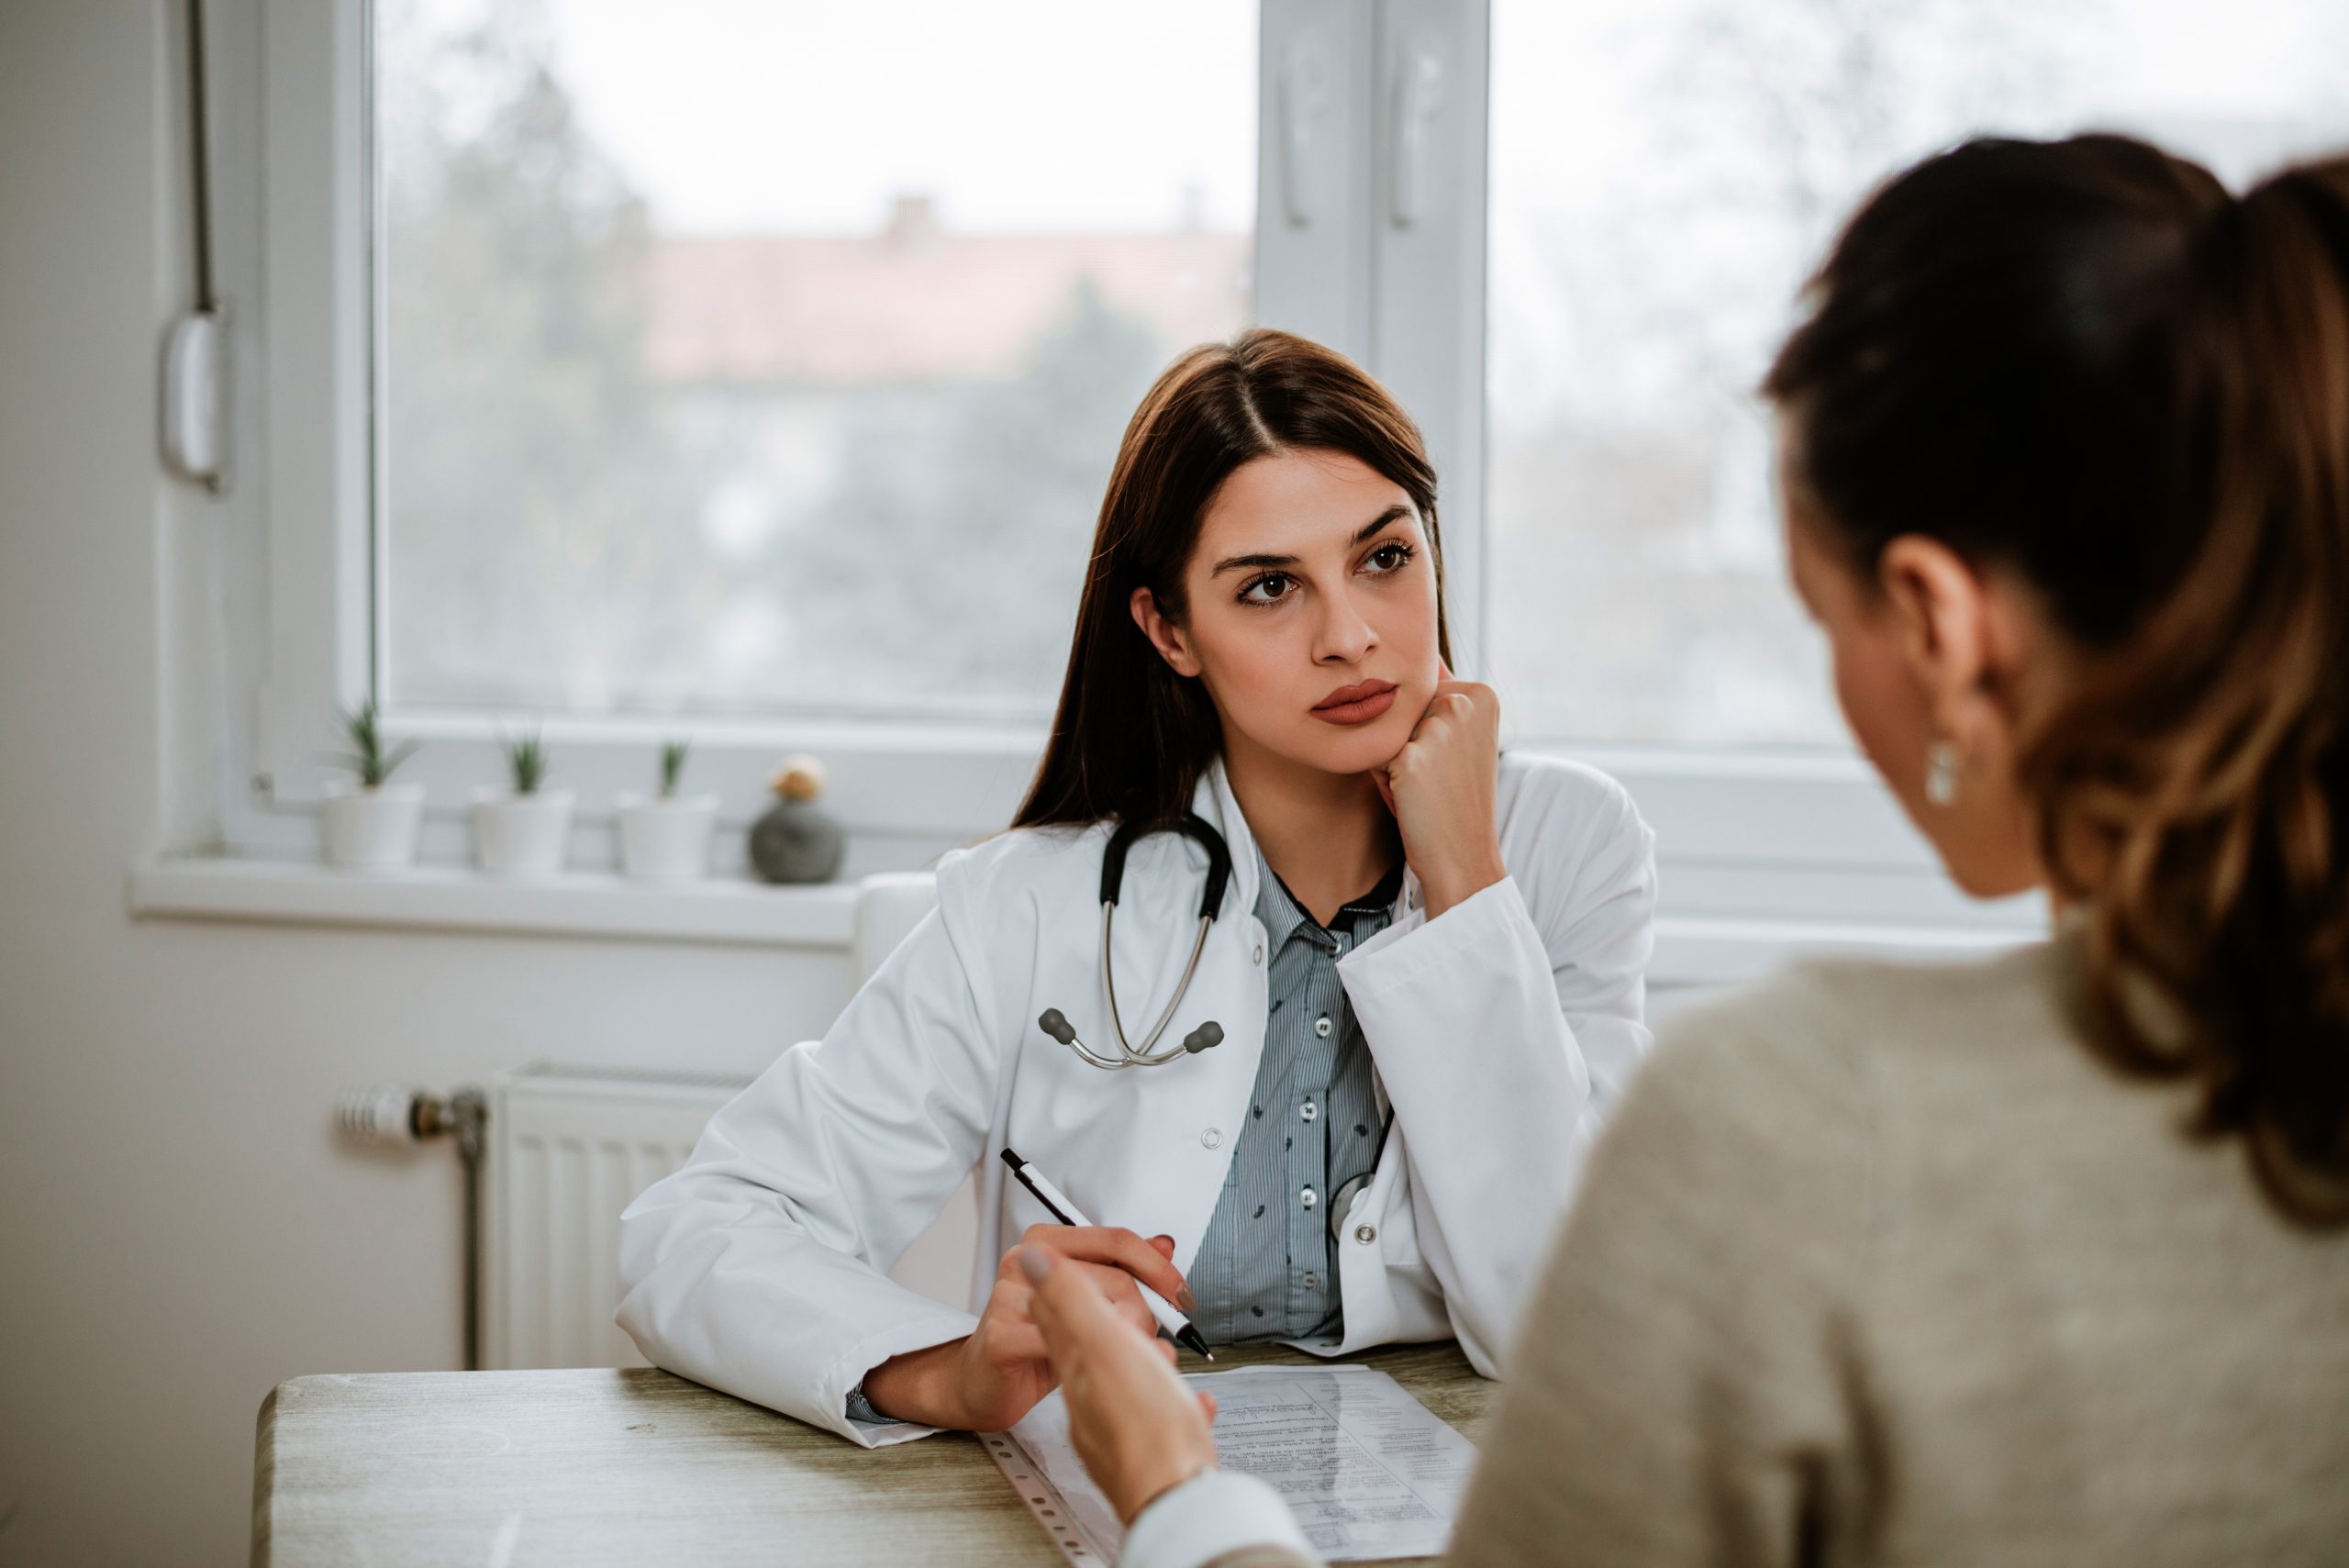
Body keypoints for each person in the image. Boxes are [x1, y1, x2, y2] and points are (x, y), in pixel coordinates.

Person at [1019, 134, 2349, 1566]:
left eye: (1820, 619)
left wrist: (1175, 1492)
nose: (1348, 633)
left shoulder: (1806, 1115)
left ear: (1940, 626)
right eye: (1272, 587)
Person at [615, 328, 1658, 1443]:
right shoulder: (1031, 901)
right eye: (1268, 587)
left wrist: (1465, 884)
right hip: (1122, 1483)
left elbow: (1560, 1327)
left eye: (1384, 558)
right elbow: (694, 1233)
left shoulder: (1566, 844)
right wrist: (950, 1371)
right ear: (1169, 630)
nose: (1351, 636)